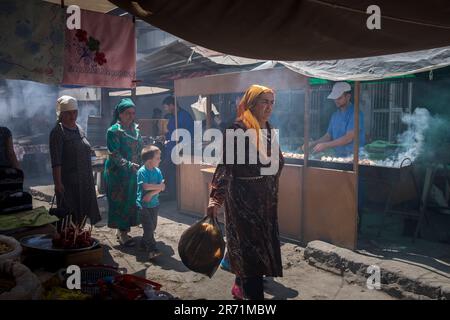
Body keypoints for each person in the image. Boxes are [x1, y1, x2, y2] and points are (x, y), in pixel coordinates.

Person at [207, 84, 284, 300]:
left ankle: (240, 284)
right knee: (251, 256)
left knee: (256, 252)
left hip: (265, 202)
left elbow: (277, 161)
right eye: (264, 102)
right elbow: (226, 166)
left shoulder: (268, 128)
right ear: (252, 103)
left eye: (272, 102)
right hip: (242, 202)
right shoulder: (238, 129)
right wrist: (216, 198)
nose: (269, 107)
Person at [49, 95, 101, 225]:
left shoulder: (79, 128)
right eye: (68, 113)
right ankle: (69, 242)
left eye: (75, 112)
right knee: (70, 216)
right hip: (69, 183)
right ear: (61, 114)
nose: (73, 116)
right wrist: (58, 183)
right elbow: (56, 161)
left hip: (85, 180)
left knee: (82, 214)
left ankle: (78, 239)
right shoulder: (58, 132)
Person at [104, 98, 143, 246]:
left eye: (133, 113)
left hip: (133, 171)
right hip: (117, 173)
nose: (131, 116)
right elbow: (114, 154)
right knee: (120, 201)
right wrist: (128, 165)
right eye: (127, 113)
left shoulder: (136, 129)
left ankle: (123, 230)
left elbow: (140, 148)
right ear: (120, 114)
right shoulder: (113, 131)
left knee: (131, 200)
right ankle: (122, 233)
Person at [302, 82, 365, 157]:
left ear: (348, 97)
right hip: (339, 156)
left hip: (354, 157)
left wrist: (326, 145)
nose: (336, 101)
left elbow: (348, 138)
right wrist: (313, 143)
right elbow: (328, 136)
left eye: (339, 98)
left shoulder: (355, 114)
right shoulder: (335, 115)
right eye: (335, 98)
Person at [161, 96, 194, 200]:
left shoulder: (185, 116)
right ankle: (172, 193)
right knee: (169, 170)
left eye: (166, 107)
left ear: (172, 105)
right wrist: (164, 137)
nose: (165, 109)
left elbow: (190, 134)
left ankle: (174, 194)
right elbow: (170, 132)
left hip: (181, 149)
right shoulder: (171, 117)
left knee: (170, 169)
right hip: (170, 148)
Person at [136, 145, 165, 260]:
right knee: (148, 228)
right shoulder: (142, 171)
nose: (160, 160)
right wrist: (158, 187)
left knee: (152, 227)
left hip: (154, 203)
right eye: (157, 158)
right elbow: (145, 186)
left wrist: (150, 194)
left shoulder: (157, 171)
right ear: (149, 161)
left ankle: (143, 244)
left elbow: (163, 187)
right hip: (142, 205)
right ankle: (152, 250)